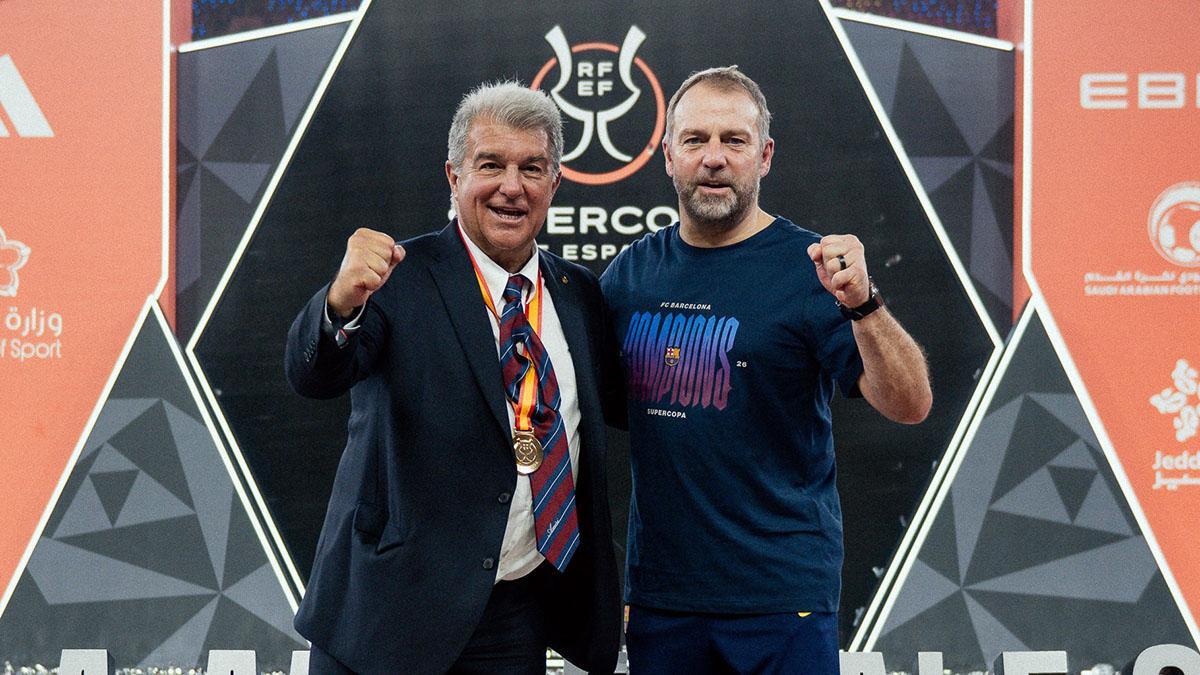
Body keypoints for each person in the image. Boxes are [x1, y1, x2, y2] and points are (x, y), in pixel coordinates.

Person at [600, 66, 933, 673]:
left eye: (735, 140)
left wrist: (863, 302)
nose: (714, 159)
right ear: (668, 155)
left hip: (780, 600)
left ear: (766, 155)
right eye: (696, 140)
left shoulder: (810, 271)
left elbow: (910, 403)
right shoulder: (629, 275)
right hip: (662, 600)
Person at [285, 81, 620, 674]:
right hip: (386, 617)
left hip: (514, 618)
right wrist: (339, 304)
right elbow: (314, 373)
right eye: (490, 165)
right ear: (454, 176)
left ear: (555, 184)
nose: (511, 187)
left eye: (531, 168)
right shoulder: (397, 279)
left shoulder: (579, 295)